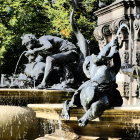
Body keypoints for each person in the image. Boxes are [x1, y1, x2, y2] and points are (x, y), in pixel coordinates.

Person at [61, 37, 123, 126]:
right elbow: (99, 58)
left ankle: (85, 116)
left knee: (103, 103)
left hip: (103, 95)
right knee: (98, 101)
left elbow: (117, 63)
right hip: (92, 90)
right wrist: (110, 45)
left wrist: (115, 49)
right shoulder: (94, 65)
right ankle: (70, 105)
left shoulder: (110, 71)